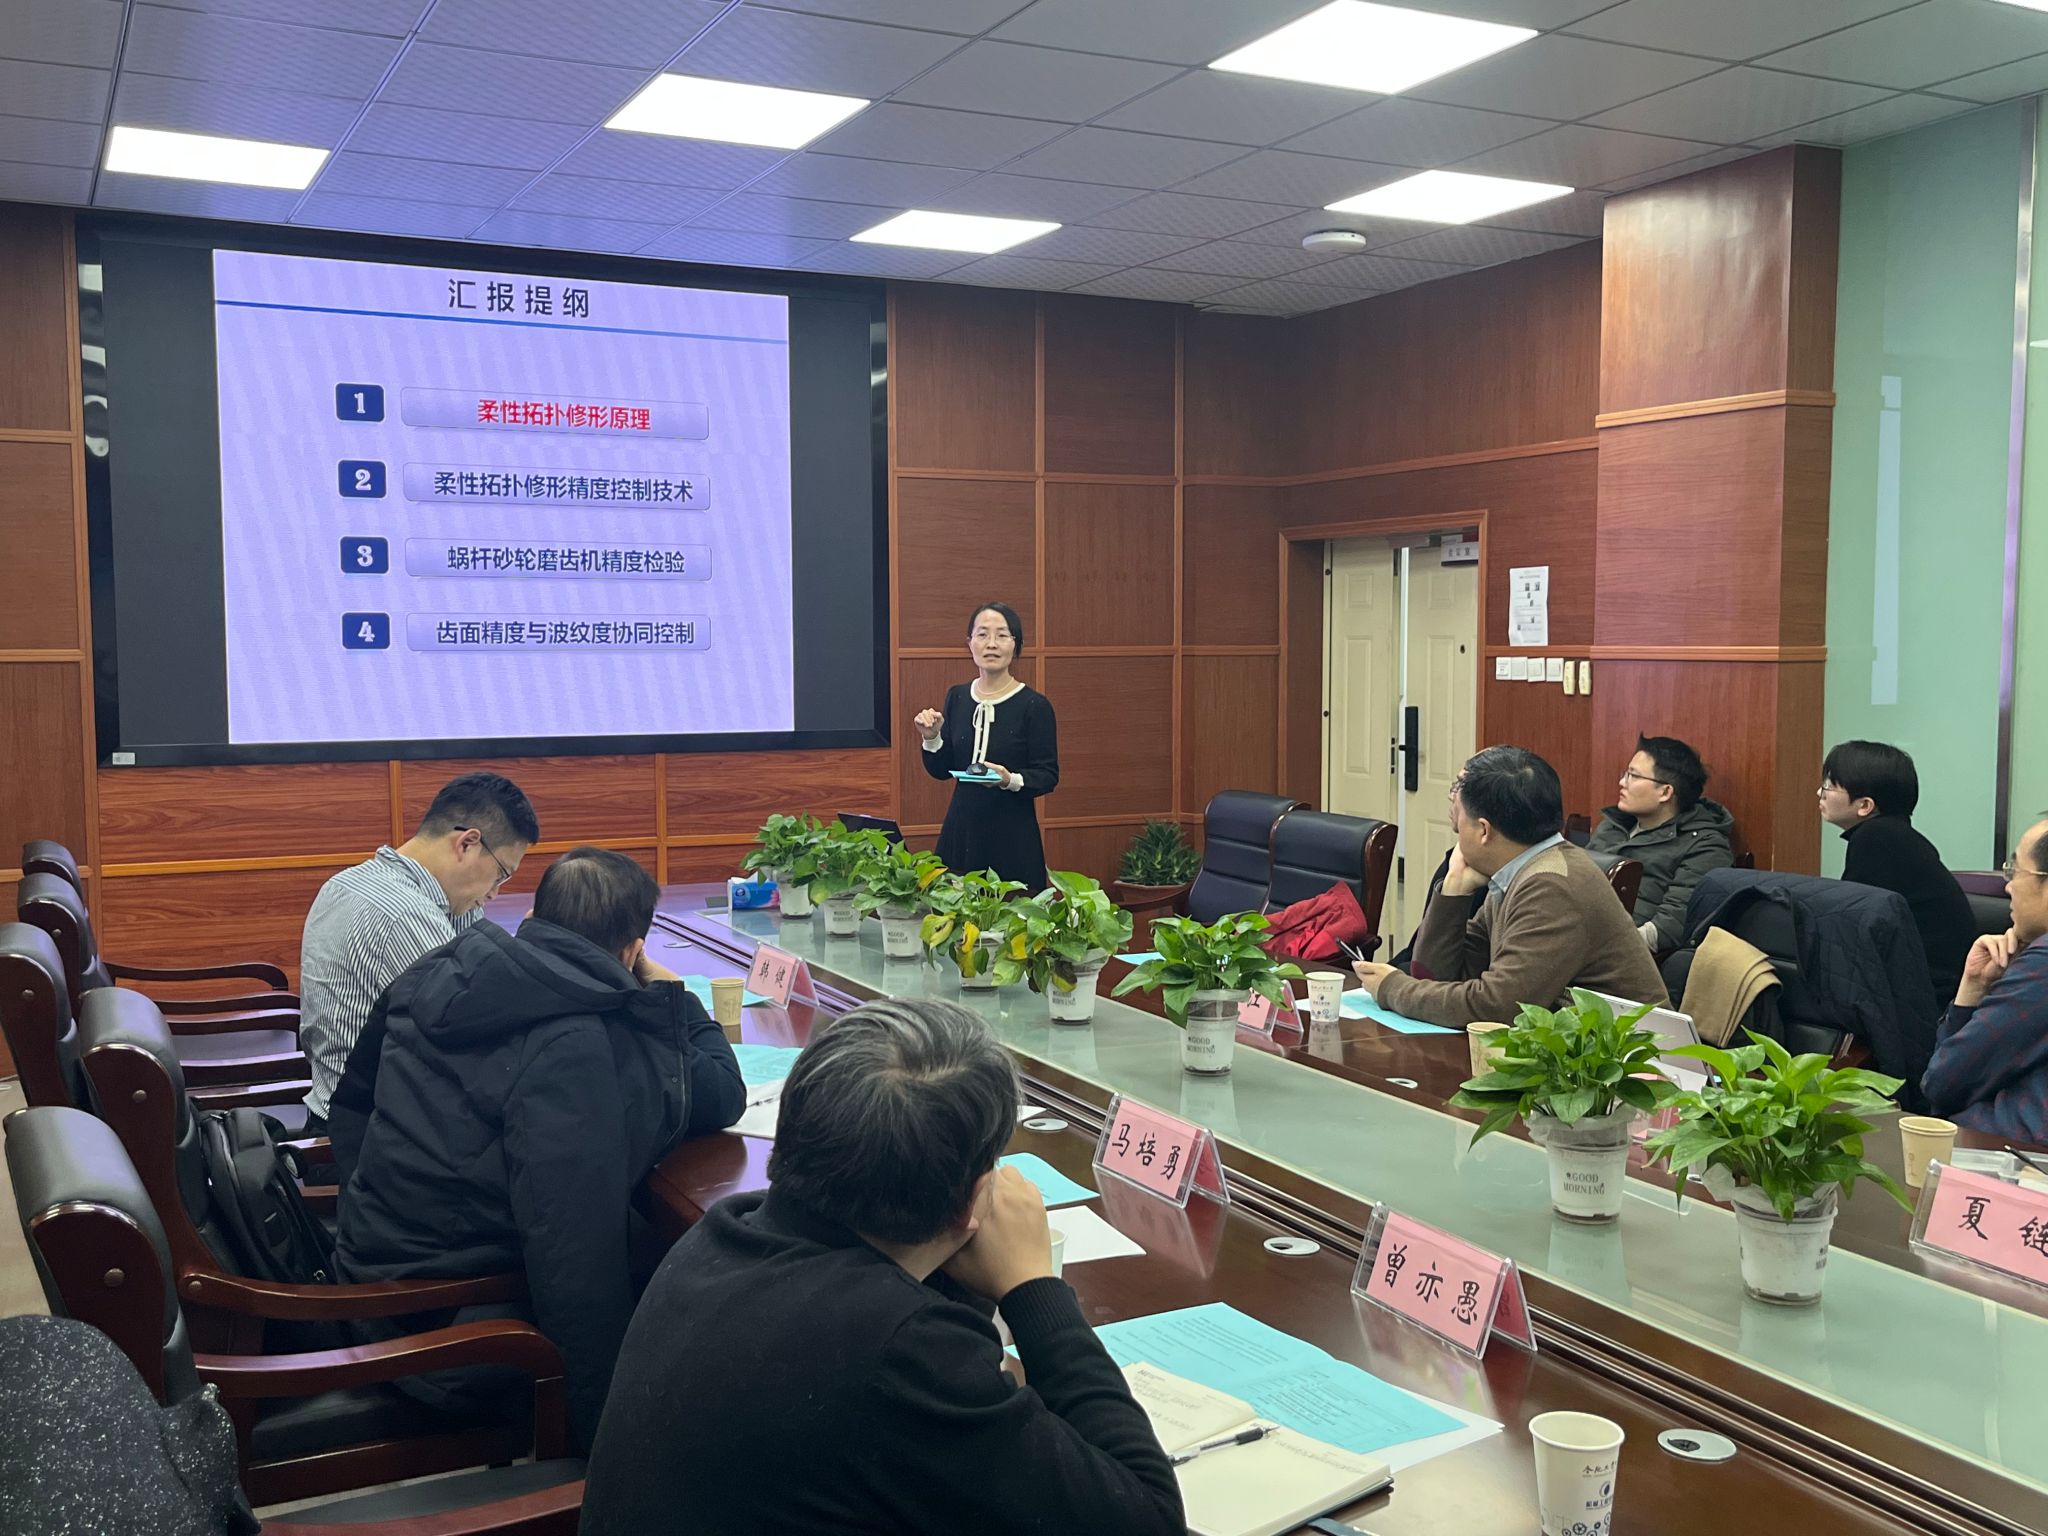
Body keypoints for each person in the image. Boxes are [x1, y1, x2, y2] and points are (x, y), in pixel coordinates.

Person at [580, 997, 1183, 1536]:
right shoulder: (896, 1349)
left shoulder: (728, 1232)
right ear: (975, 1199)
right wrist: (1032, 1286)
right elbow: (1148, 1519)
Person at [329, 846, 746, 1453]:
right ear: (632, 950)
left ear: (534, 917)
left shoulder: (439, 968)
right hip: (454, 1330)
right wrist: (604, 1439)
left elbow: (351, 1105)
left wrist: (368, 1215)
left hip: (371, 1272)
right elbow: (575, 1253)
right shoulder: (581, 1040)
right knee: (703, 1279)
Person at [1352, 746, 1667, 1027]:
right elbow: (1437, 977)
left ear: (1484, 831)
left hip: (1631, 1063)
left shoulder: (1551, 886)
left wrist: (1393, 988)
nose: (1456, 831)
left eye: (1458, 820)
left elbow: (1497, 1007)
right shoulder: (1521, 868)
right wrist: (1454, 888)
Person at [297, 771, 538, 1132]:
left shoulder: (349, 881)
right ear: (467, 844)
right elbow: (483, 1033)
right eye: (501, 873)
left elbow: (482, 975)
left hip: (345, 1107)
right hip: (367, 1134)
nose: (494, 893)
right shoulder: (406, 916)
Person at [1921, 816, 2048, 1141]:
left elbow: (1944, 1082)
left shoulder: (2042, 966)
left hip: (2009, 1157)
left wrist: (1970, 994)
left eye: (2016, 871)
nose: (2008, 886)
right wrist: (1976, 983)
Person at [1819, 740, 1976, 1002]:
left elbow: (1850, 923)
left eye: (1829, 786)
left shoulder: (1876, 838)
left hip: (1927, 993)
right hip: (1935, 984)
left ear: (1865, 806)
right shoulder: (1896, 835)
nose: (1820, 793)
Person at [917, 601, 1059, 889]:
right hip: (961, 831)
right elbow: (942, 770)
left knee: (1010, 911)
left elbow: (1047, 775)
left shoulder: (1034, 705)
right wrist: (931, 737)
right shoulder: (958, 697)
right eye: (982, 634)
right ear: (969, 643)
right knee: (951, 911)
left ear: (1016, 645)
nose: (991, 644)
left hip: (1013, 835)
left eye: (1002, 635)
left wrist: (1009, 780)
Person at [1586, 735, 1735, 950]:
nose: (1622, 782)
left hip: (1626, 954)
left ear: (1665, 792)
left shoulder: (1705, 846)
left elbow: (1672, 926)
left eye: (1633, 776)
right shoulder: (1612, 826)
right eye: (1625, 774)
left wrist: (1602, 950)